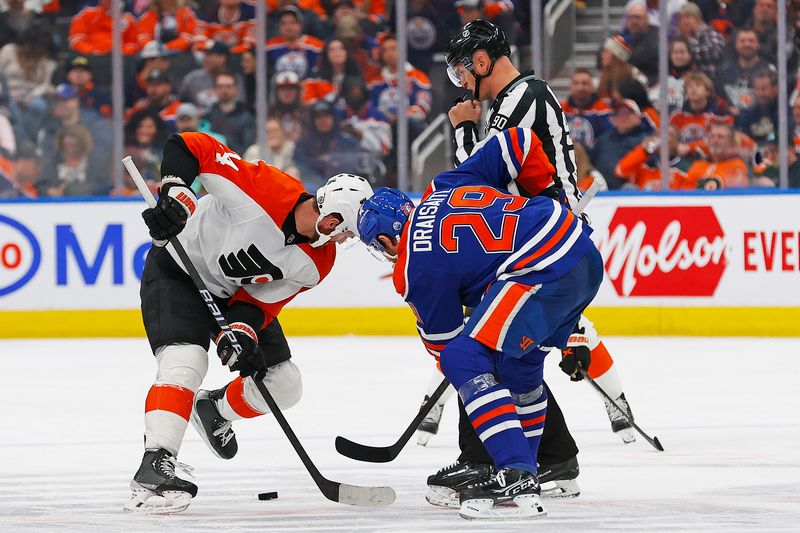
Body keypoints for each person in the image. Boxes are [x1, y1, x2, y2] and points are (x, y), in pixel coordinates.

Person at [426, 18, 638, 507]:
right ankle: (553, 457)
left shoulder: (525, 95)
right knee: (512, 357)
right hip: (534, 246)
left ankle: (486, 460)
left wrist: (461, 130)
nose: (460, 81)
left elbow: (479, 180)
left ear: (482, 61)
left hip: (543, 249)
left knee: (478, 346)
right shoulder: (509, 103)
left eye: (462, 69)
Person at [356, 128, 604, 520]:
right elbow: (518, 142)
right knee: (518, 368)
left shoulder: (412, 267)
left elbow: (448, 351)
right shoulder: (445, 183)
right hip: (581, 249)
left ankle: (515, 471)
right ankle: (526, 471)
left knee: (463, 359)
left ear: (387, 239)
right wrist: (550, 196)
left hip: (539, 268)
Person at [125, 131, 374, 514]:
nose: (343, 240)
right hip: (178, 271)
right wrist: (178, 193)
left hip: (227, 295)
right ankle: (155, 466)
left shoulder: (318, 262)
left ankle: (214, 411)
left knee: (286, 385)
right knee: (187, 362)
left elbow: (260, 303)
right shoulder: (264, 188)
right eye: (344, 230)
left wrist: (240, 332)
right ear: (331, 212)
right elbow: (191, 145)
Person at [202, 71, 255, 154]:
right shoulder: (208, 115)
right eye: (220, 86)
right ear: (215, 89)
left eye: (228, 86)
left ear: (236, 89)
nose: (224, 90)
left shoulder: (246, 117)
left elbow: (248, 146)